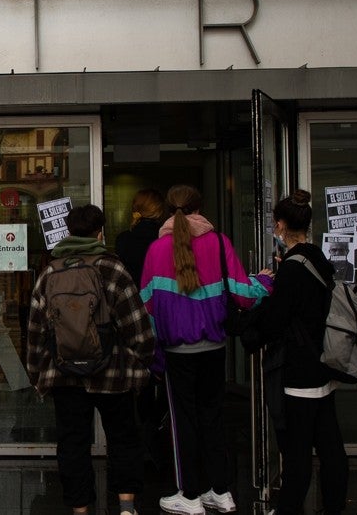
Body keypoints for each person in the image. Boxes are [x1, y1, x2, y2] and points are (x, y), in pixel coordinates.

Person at [139, 185, 272, 515]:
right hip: (214, 348)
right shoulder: (219, 242)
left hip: (176, 353)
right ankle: (221, 492)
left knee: (183, 422)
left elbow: (147, 308)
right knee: (213, 418)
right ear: (200, 208)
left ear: (169, 211)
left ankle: (189, 495)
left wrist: (154, 358)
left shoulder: (156, 250)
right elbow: (243, 295)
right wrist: (266, 281)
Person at [25, 204, 155, 515]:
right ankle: (126, 506)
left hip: (64, 374)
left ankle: (80, 508)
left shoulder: (50, 273)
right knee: (123, 439)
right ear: (100, 233)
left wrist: (37, 373)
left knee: (72, 443)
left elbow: (35, 330)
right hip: (113, 374)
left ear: (68, 233)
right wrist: (138, 366)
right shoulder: (114, 269)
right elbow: (137, 327)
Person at [255, 189, 348, 515]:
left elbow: (276, 321)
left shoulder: (293, 269)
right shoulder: (318, 259)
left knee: (296, 452)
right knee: (330, 445)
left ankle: (289, 508)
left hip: (298, 368)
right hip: (323, 363)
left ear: (280, 226)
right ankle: (334, 506)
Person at [113, 188, 169, 467]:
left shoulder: (124, 240)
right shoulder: (165, 241)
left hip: (132, 318)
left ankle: (139, 436)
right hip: (163, 314)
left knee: (137, 378)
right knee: (165, 375)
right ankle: (158, 433)